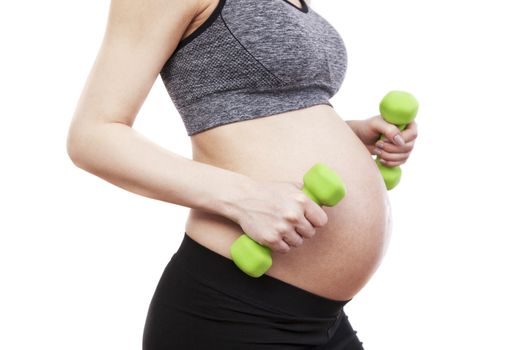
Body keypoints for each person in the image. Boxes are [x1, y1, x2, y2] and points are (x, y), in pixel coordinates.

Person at [66, 0, 418, 348]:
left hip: (323, 319)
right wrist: (245, 198)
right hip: (233, 314)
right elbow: (93, 136)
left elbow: (262, 117)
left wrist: (349, 137)